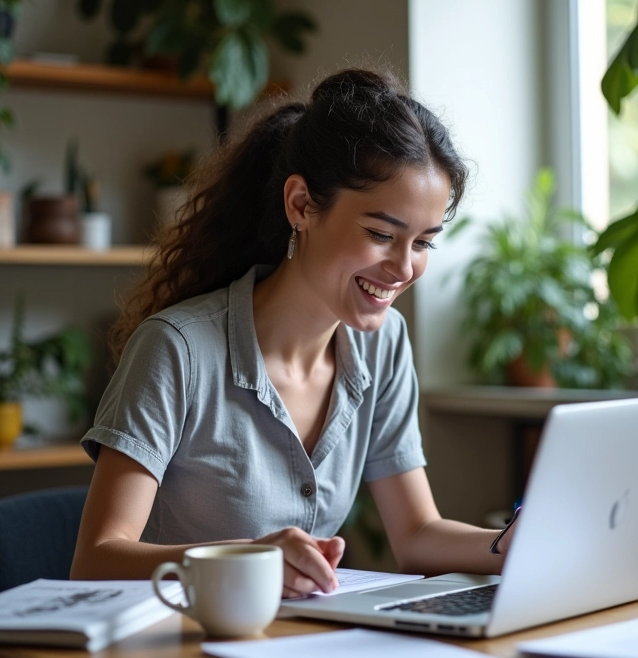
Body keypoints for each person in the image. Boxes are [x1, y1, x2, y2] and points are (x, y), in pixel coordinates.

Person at [70, 68, 514, 597]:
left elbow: (417, 534)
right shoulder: (178, 349)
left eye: (423, 243)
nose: (402, 268)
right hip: (174, 654)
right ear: (301, 205)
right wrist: (248, 561)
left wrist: (512, 544)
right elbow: (96, 559)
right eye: (380, 234)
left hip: (297, 651)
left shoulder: (383, 343)